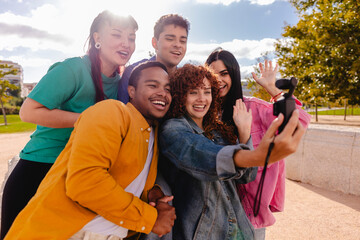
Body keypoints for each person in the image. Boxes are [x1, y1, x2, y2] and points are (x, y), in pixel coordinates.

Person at [0, 10, 138, 239]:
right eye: (117, 35)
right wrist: (90, 119)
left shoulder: (123, 83)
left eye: (132, 37)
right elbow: (28, 111)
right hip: (38, 169)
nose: (126, 43)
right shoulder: (73, 69)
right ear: (97, 38)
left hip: (78, 177)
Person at [5, 61, 176, 240]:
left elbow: (124, 178)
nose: (162, 93)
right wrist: (150, 218)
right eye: (152, 85)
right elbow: (85, 182)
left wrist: (152, 195)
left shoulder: (153, 135)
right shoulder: (112, 111)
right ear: (131, 91)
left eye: (167, 88)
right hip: (69, 234)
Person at [157, 64, 306, 240]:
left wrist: (244, 134)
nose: (201, 99)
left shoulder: (217, 131)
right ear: (180, 96)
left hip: (238, 231)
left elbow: (246, 177)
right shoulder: (173, 130)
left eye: (207, 92)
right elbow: (201, 154)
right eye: (193, 92)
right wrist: (259, 156)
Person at [205, 48, 311, 239]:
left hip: (248, 212)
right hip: (213, 210)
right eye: (213, 74)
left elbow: (300, 120)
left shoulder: (254, 108)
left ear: (234, 75)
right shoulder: (201, 112)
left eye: (224, 73)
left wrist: (272, 88)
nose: (218, 80)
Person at [118, 13, 190, 103]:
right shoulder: (133, 73)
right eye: (170, 39)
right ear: (155, 43)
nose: (177, 45)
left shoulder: (186, 80)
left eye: (183, 41)